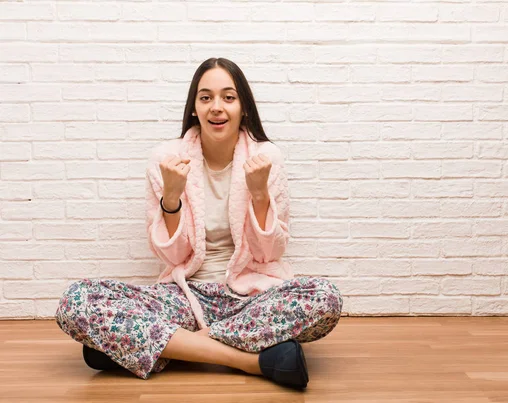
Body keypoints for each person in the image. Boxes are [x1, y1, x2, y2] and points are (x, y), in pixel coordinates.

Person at [55, 57, 343, 389]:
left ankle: (170, 347)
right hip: (184, 296)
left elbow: (269, 253)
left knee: (325, 297)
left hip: (249, 299)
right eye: (206, 97)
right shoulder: (167, 161)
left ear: (243, 107)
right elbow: (173, 258)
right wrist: (172, 199)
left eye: (228, 97)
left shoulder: (266, 159)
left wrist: (260, 195)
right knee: (77, 299)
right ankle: (250, 360)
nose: (216, 107)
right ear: (194, 107)